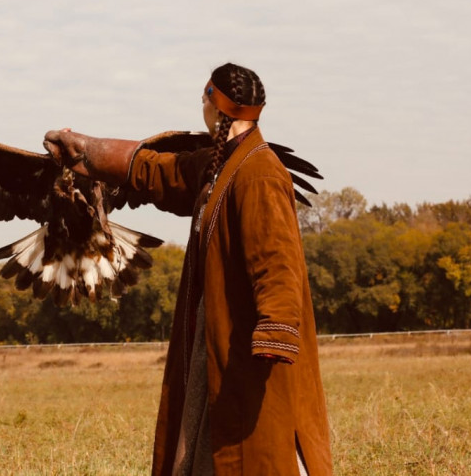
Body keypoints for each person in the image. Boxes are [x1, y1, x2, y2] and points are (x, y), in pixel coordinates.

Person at [44, 63, 332, 475]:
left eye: (203, 97)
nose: (201, 105)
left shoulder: (260, 173)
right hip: (213, 332)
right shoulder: (219, 164)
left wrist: (277, 329)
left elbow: (277, 261)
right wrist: (85, 150)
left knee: (262, 451)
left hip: (250, 342)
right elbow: (158, 170)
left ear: (217, 107)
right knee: (207, 445)